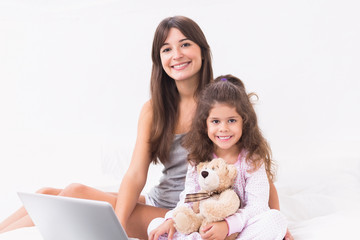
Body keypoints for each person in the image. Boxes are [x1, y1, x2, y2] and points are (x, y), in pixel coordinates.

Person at [0, 16, 293, 239]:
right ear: (159, 59)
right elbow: (135, 174)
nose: (176, 54)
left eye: (185, 44)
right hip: (158, 198)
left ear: (203, 51)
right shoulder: (154, 108)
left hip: (188, 210)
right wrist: (121, 219)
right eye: (167, 49)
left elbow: (256, 165)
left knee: (73, 192)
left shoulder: (220, 104)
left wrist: (277, 224)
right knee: (48, 192)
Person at [148, 75, 288, 240]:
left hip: (239, 231)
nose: (223, 128)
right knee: (156, 225)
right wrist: (173, 219)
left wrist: (228, 226)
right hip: (205, 230)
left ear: (244, 121)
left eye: (231, 120)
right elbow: (189, 198)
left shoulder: (252, 160)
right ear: (204, 123)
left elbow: (258, 206)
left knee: (275, 220)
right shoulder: (198, 159)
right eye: (215, 121)